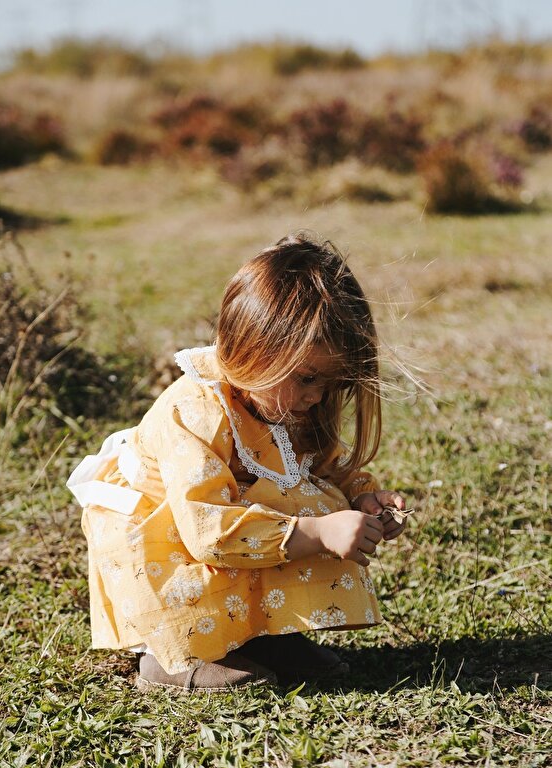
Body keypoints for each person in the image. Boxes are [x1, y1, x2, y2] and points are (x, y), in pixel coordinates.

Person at [67, 232, 409, 694]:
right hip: (163, 543)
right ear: (254, 350)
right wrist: (316, 533)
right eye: (308, 378)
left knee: (294, 501)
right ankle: (170, 654)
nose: (317, 396)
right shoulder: (194, 413)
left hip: (222, 533)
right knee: (288, 521)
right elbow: (207, 530)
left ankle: (260, 636)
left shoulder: (284, 403)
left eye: (330, 384)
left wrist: (361, 496)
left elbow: (321, 468)